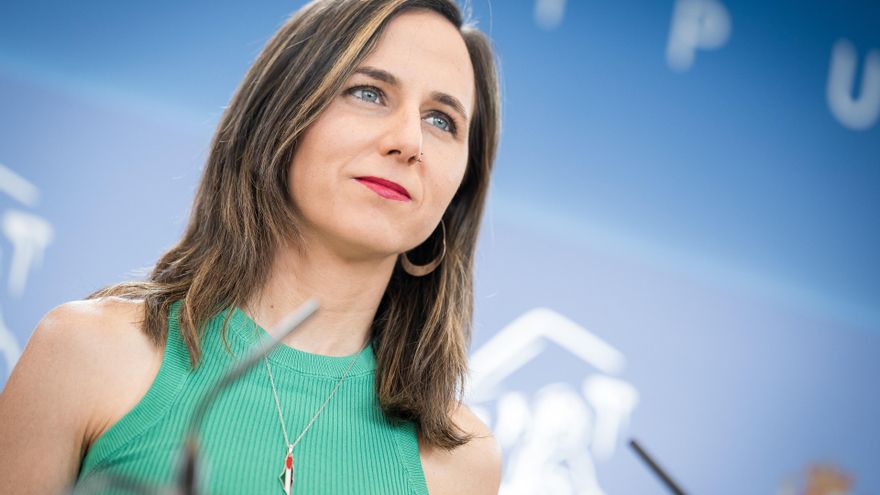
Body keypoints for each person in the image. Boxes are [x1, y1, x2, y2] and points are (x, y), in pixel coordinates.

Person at [0, 0, 503, 493]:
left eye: (442, 121)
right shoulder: (87, 354)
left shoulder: (461, 465)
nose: (409, 140)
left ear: (459, 187)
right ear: (280, 116)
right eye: (368, 93)